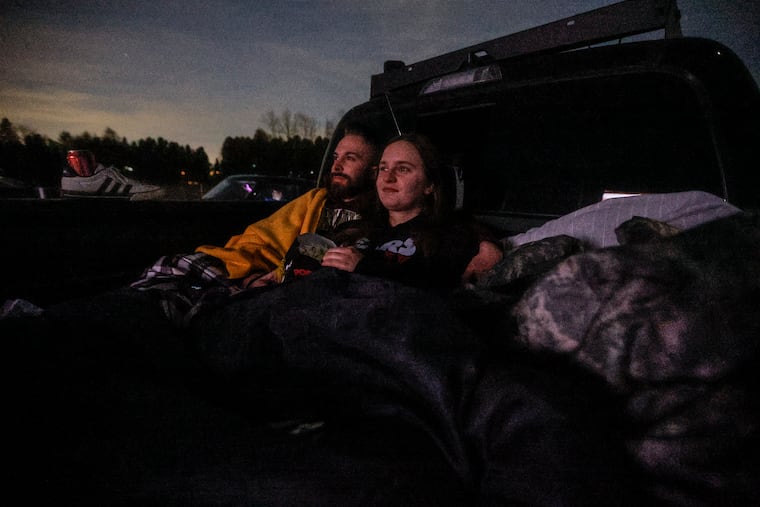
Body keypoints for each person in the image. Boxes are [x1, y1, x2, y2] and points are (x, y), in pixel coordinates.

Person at [299, 133, 503, 289]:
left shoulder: (448, 234)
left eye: (403, 169)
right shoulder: (359, 227)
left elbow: (438, 285)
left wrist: (365, 267)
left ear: (429, 185)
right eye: (384, 169)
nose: (388, 178)